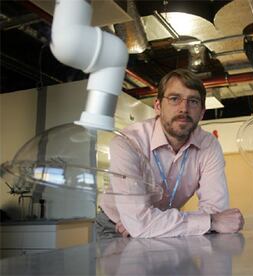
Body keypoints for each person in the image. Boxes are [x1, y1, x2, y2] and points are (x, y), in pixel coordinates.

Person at [96, 68, 244, 238]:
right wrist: (210, 222)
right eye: (174, 99)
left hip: (168, 228)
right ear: (158, 106)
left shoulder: (209, 145)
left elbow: (216, 211)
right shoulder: (128, 142)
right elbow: (216, 220)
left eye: (193, 101)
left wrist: (148, 225)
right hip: (114, 226)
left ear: (202, 113)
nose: (184, 108)